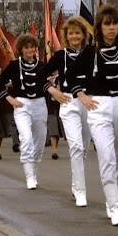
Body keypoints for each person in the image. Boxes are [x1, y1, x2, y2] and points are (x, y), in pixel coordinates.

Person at [68, 5, 118, 226]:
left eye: (114, 24)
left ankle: (114, 191)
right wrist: (81, 95)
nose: (111, 28)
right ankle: (114, 206)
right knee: (106, 155)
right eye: (107, 24)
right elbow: (71, 75)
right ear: (99, 27)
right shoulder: (90, 52)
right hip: (98, 106)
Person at [40, 16, 92, 207]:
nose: (74, 36)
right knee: (76, 146)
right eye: (71, 33)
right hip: (69, 103)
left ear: (83, 35)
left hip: (89, 102)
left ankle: (75, 181)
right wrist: (53, 90)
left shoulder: (91, 53)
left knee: (84, 149)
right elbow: (40, 75)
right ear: (66, 36)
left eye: (78, 32)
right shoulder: (60, 56)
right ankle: (80, 191)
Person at [0, 33, 48, 190]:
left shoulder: (42, 66)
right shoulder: (13, 66)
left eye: (32, 47)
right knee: (26, 138)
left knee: (39, 142)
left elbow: (48, 83)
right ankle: (29, 177)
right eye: (27, 47)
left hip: (39, 104)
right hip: (21, 105)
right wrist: (10, 99)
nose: (30, 50)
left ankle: (34, 172)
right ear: (21, 49)